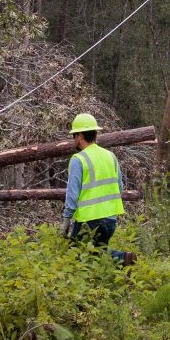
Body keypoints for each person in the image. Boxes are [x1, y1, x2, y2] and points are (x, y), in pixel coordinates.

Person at [60, 113, 134, 265]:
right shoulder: (110, 156)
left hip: (89, 220)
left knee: (76, 256)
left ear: (80, 136)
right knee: (96, 257)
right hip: (111, 220)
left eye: (74, 135)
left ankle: (123, 258)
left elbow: (72, 195)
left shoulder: (78, 160)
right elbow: (119, 188)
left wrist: (66, 220)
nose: (74, 139)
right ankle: (122, 272)